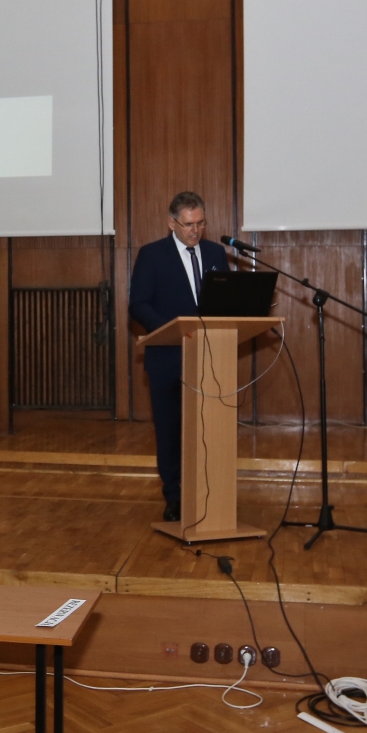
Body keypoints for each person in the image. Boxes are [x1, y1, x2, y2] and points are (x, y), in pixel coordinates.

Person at [127, 191, 228, 523]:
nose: (195, 231)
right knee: (170, 430)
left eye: (200, 223)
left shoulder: (215, 253)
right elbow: (138, 304)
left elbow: (223, 304)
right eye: (188, 224)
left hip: (210, 357)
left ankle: (209, 490)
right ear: (172, 223)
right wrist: (170, 329)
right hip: (167, 357)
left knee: (208, 427)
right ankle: (173, 495)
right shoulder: (152, 255)